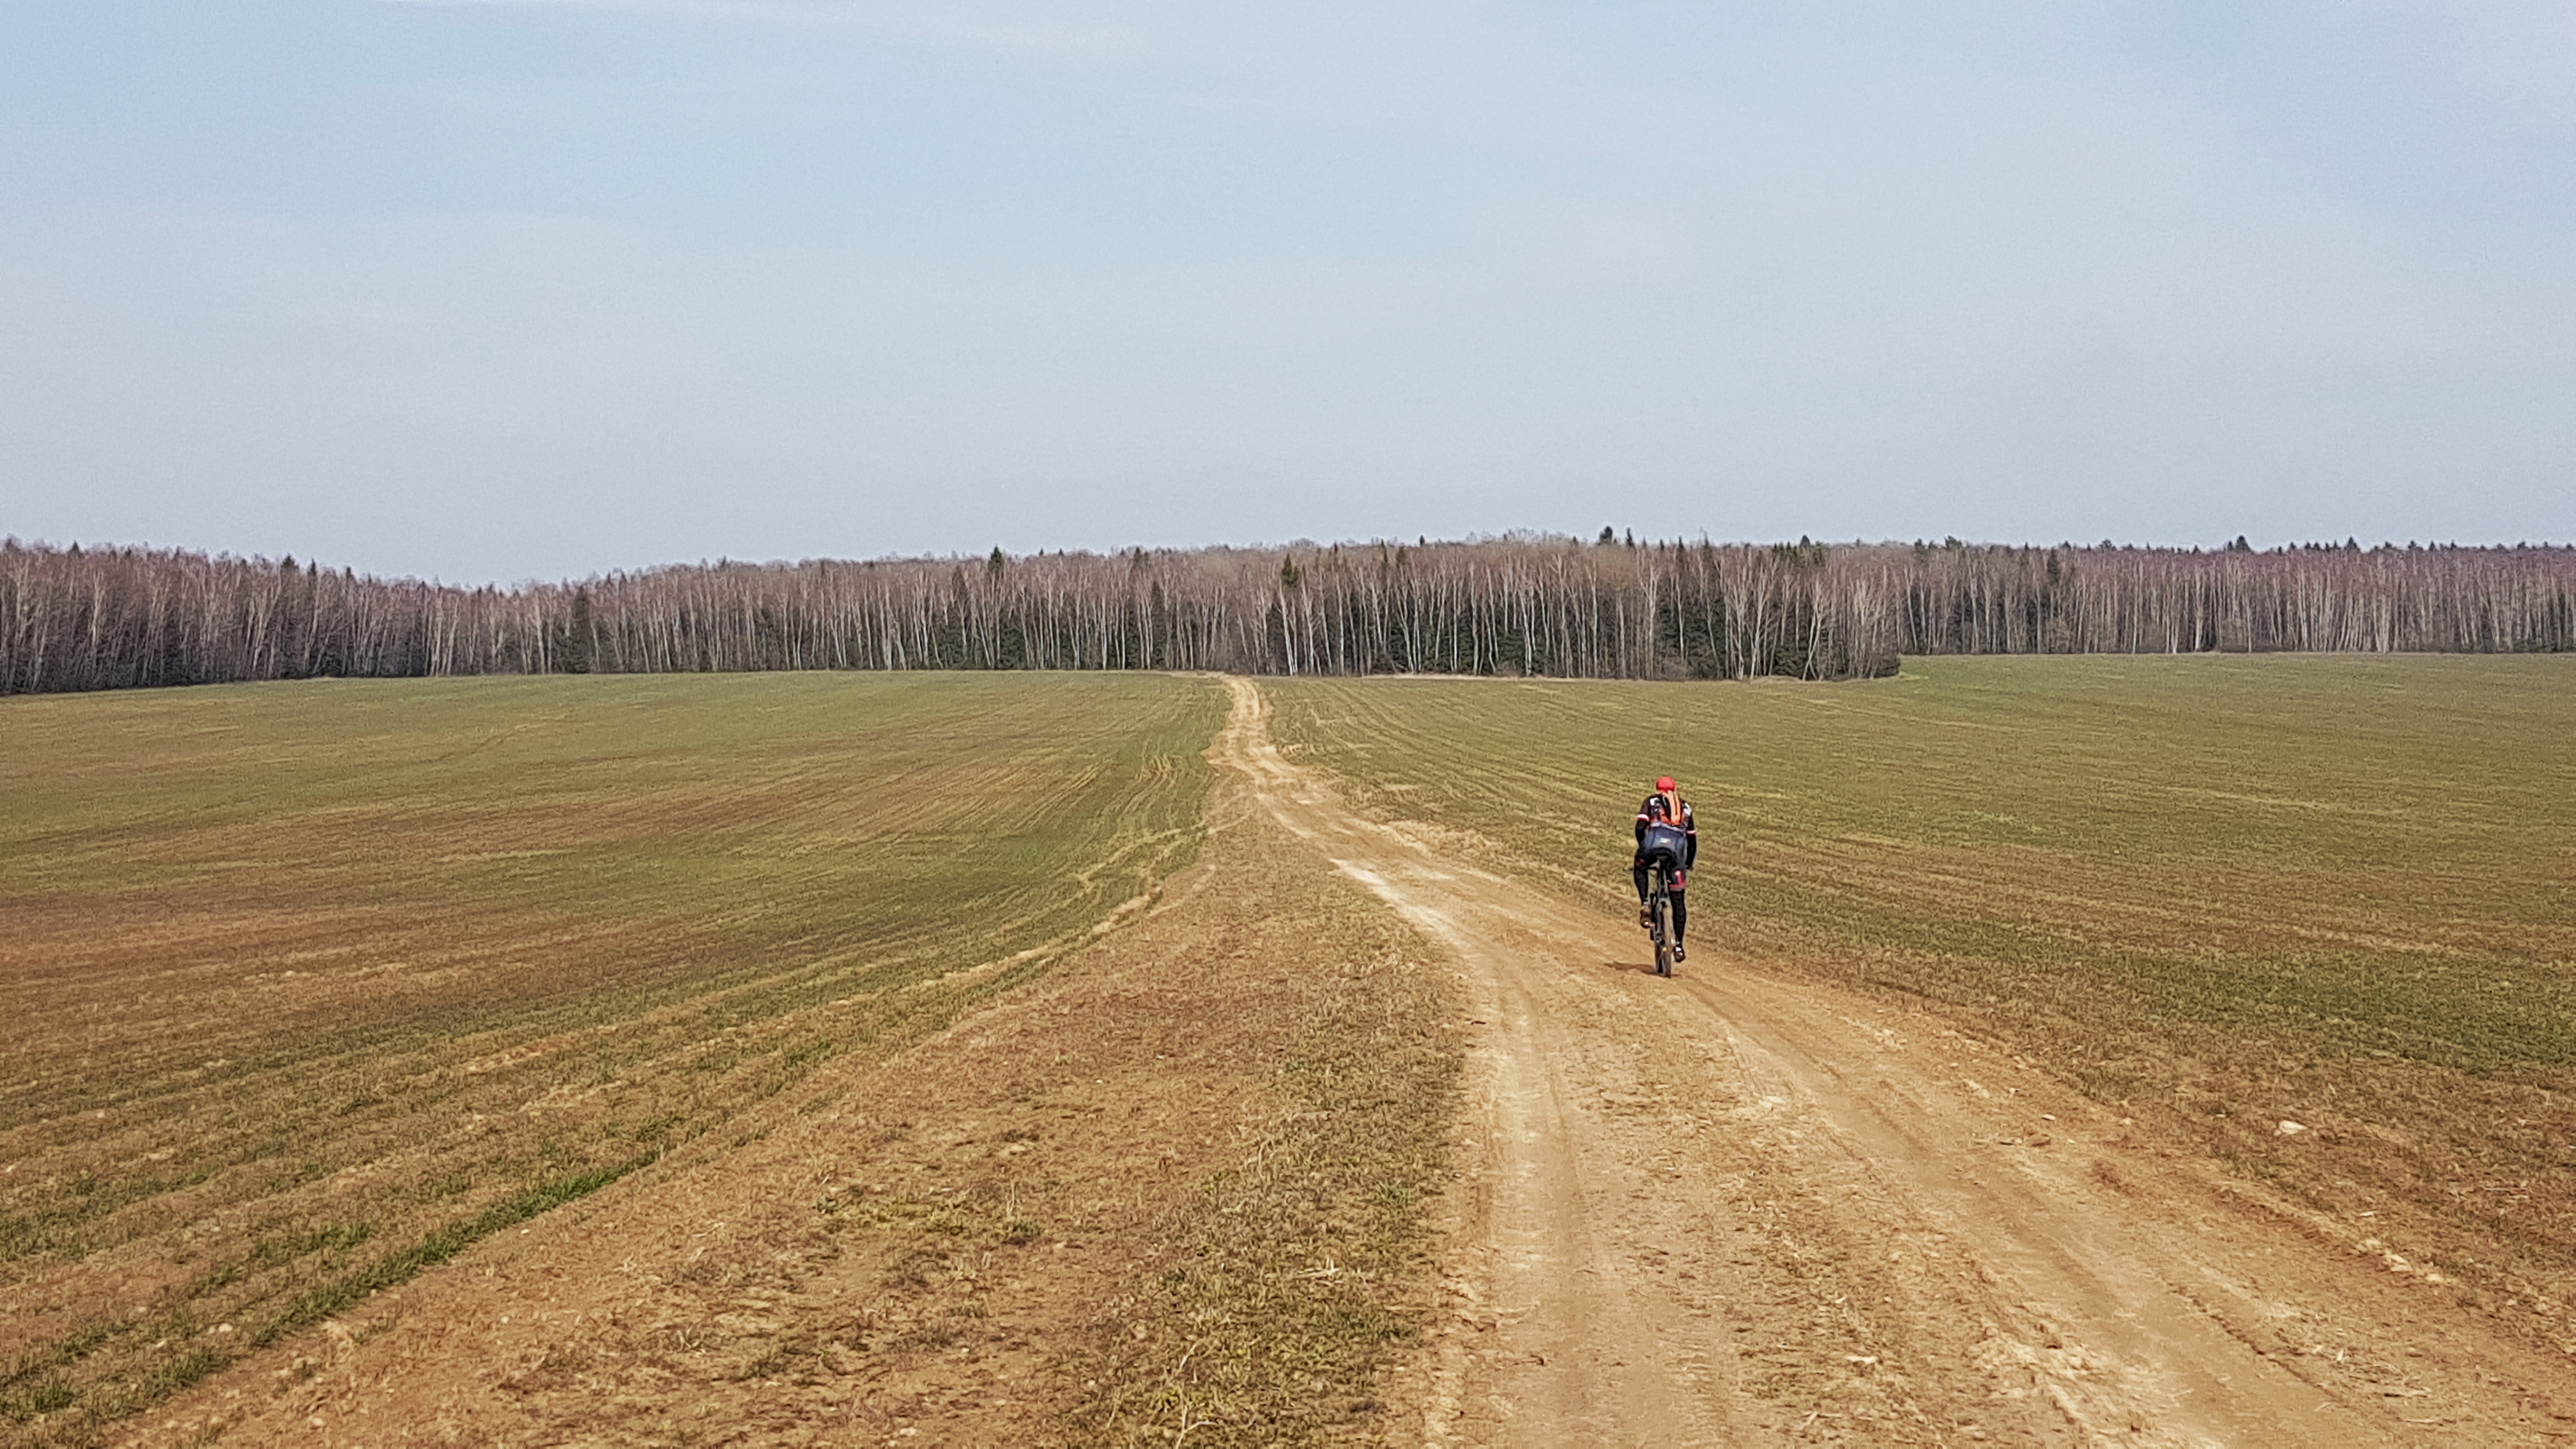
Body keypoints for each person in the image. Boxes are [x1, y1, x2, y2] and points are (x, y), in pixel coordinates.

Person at [1633, 775, 1697, 962]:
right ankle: (1679, 945)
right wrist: (1688, 862)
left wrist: (1643, 848)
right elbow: (1692, 839)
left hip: (1653, 846)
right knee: (1678, 900)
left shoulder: (1651, 802)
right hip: (1676, 853)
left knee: (1640, 867)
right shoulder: (1686, 807)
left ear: (1658, 789)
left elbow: (1640, 827)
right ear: (1675, 789)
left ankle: (1646, 904)